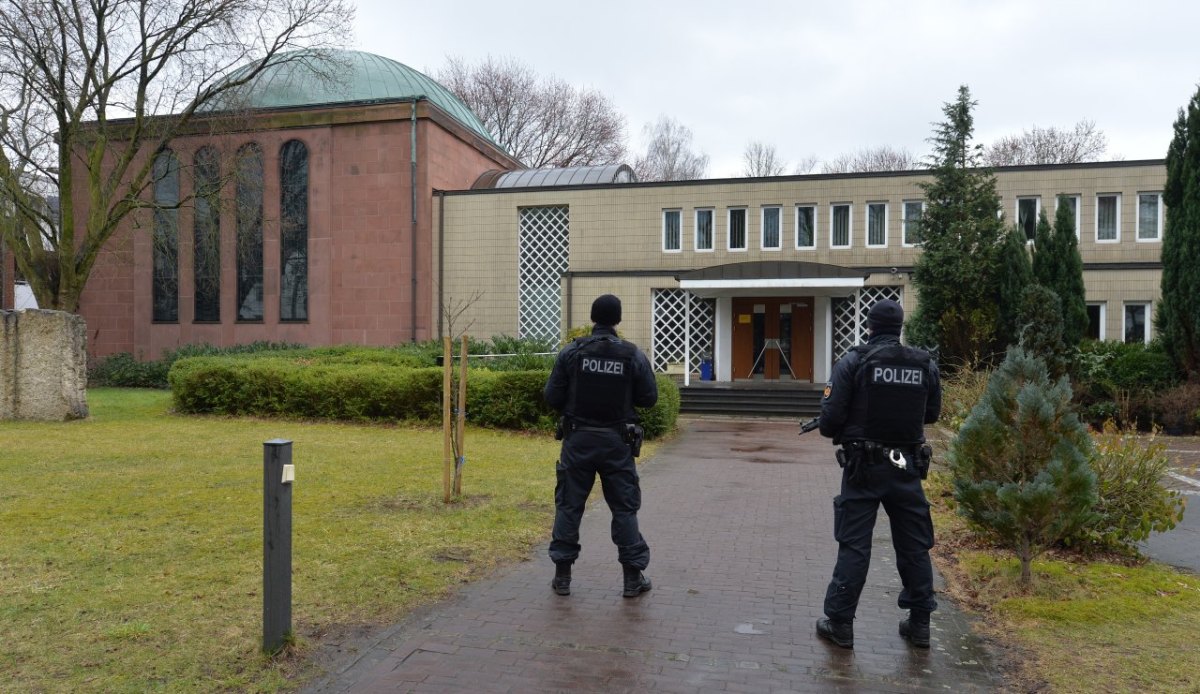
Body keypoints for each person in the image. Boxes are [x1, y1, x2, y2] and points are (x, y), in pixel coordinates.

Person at [814, 299, 942, 649]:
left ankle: (840, 623)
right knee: (915, 545)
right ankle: (920, 624)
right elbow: (931, 414)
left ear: (869, 326)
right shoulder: (924, 364)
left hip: (863, 469)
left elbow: (828, 423)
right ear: (900, 327)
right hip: (907, 467)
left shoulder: (854, 361)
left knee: (854, 545)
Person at [544, 294, 658, 598]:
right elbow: (649, 398)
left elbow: (552, 396)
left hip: (578, 440)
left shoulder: (572, 352)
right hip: (617, 443)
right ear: (617, 320)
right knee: (624, 509)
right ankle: (632, 578)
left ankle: (563, 577)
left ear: (593, 317)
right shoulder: (632, 355)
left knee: (569, 505)